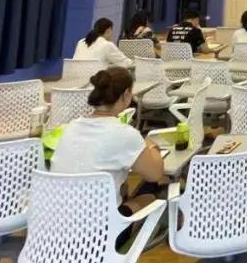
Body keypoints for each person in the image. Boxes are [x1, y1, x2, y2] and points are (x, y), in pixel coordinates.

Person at [51, 67, 167, 219]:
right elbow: (155, 174)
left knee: (124, 188)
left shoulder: (70, 127)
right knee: (149, 197)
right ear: (126, 94)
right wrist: (151, 145)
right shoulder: (125, 134)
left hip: (55, 222)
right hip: (99, 228)